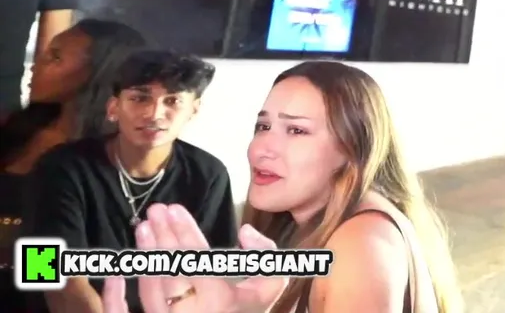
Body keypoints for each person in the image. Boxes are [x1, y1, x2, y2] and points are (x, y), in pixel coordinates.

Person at [102, 61, 463, 313]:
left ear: (352, 149)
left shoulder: (360, 244)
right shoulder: (315, 225)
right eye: (263, 127)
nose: (263, 149)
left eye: (296, 130)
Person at [23, 49, 237, 312]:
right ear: (114, 107)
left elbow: (214, 273)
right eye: (139, 98)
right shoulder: (59, 167)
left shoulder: (208, 174)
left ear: (193, 109)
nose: (155, 114)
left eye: (172, 101)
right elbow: (45, 271)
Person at [0, 19, 145, 312]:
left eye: (55, 57)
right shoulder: (16, 128)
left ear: (95, 75)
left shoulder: (107, 161)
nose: (36, 65)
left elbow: (50, 271)